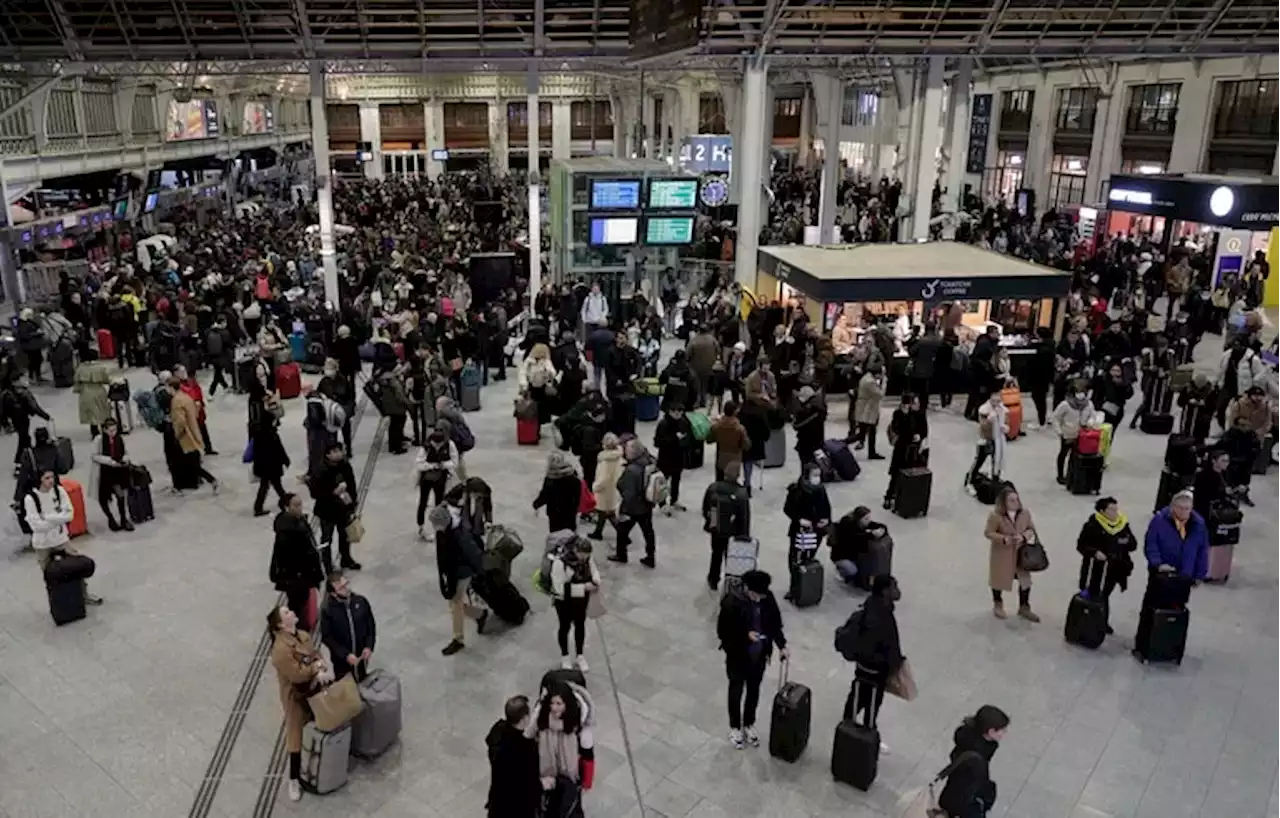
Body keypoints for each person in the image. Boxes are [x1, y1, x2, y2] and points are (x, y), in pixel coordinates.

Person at [1133, 490, 1209, 662]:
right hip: (1161, 575)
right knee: (1151, 610)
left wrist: (1199, 574)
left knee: (1176, 610)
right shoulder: (1159, 521)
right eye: (1180, 508)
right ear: (1173, 506)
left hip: (1184, 576)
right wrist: (1158, 564)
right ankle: (1143, 647)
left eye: (1187, 509)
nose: (1184, 512)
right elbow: (1151, 544)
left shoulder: (1198, 525)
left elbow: (1202, 551)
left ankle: (1169, 647)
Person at [716, 569, 788, 749]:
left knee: (754, 690)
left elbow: (774, 624)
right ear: (747, 588)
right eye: (756, 595)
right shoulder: (732, 603)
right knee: (736, 689)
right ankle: (734, 726)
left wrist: (782, 645)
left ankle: (749, 722)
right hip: (738, 655)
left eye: (761, 596)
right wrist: (745, 635)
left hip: (760, 654)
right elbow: (723, 632)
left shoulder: (767, 599)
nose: (759, 599)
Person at [267, 604, 328, 803]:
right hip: (295, 696)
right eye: (286, 613)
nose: (292, 612)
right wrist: (315, 668)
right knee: (295, 734)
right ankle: (294, 778)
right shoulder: (280, 650)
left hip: (313, 688)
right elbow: (296, 674)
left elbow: (314, 653)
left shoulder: (302, 635)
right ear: (280, 625)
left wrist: (319, 664)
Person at [25, 468, 103, 604]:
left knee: (76, 567)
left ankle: (84, 595)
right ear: (39, 480)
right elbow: (36, 526)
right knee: (50, 575)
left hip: (61, 539)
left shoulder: (59, 491)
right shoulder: (31, 498)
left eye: (52, 477)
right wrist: (57, 519)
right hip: (42, 544)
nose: (50, 481)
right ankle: (58, 601)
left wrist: (48, 518)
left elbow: (69, 515)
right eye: (46, 478)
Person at [838, 574, 902, 733]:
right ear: (885, 591)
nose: (898, 591)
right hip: (874, 671)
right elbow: (886, 644)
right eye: (894, 587)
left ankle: (847, 732)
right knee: (871, 706)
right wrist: (893, 665)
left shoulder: (872, 607)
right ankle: (863, 738)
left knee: (856, 699)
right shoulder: (880, 616)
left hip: (864, 667)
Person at [429, 487, 489, 656]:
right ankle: (479, 614)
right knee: (454, 604)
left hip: (463, 569)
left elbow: (472, 553)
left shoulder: (458, 534)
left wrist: (479, 571)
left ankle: (458, 639)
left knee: (455, 603)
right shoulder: (446, 527)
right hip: (455, 568)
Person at [526, 677, 594, 810]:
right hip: (546, 778)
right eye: (552, 703)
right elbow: (527, 737)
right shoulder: (541, 717)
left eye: (559, 704)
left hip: (570, 780)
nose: (554, 708)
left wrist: (586, 782)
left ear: (567, 703)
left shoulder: (578, 722)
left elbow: (588, 755)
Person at [1075, 497, 1136, 633]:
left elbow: (1133, 545)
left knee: (1105, 594)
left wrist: (1123, 542)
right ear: (1102, 511)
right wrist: (1094, 552)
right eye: (1111, 509)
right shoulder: (1092, 525)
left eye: (1116, 509)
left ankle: (1101, 621)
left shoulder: (1122, 525)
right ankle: (1088, 621)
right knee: (1092, 592)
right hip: (1095, 568)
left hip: (1115, 568)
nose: (1115, 512)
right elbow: (1081, 545)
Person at [936, 706, 1010, 818]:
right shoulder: (976, 759)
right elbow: (972, 785)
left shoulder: (968, 741)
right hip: (965, 802)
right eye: (1002, 730)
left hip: (955, 795)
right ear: (991, 732)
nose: (1005, 733)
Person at [984, 486, 1039, 622]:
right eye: (1011, 500)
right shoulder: (995, 516)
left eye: (1016, 499)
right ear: (1004, 502)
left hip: (1021, 554)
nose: (1015, 502)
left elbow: (1031, 529)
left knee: (1025, 581)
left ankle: (1024, 606)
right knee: (999, 580)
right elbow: (988, 532)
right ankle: (998, 603)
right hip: (1003, 554)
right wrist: (1003, 538)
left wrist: (1024, 537)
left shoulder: (1025, 513)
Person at [269, 493, 325, 625]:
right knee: (297, 603)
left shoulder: (298, 521)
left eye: (300, 504)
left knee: (301, 602)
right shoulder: (287, 532)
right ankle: (298, 627)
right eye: (296, 505)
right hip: (296, 577)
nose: (300, 508)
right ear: (286, 507)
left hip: (301, 575)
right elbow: (290, 558)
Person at [485, 695, 542, 818]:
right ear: (524, 718)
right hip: (519, 807)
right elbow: (528, 782)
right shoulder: (526, 749)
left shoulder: (498, 732)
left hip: (498, 801)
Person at [550, 537, 601, 672]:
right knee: (564, 627)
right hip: (564, 602)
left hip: (580, 601)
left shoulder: (587, 559)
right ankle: (565, 656)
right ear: (575, 550)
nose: (583, 559)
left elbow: (594, 569)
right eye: (582, 555)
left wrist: (596, 580)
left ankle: (580, 655)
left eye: (586, 556)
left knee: (580, 625)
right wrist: (584, 587)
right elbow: (559, 588)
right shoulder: (560, 563)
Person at [782, 461, 831, 600]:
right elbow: (788, 509)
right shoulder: (796, 490)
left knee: (809, 558)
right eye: (815, 475)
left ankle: (806, 586)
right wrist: (799, 520)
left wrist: (826, 520)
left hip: (816, 531)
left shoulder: (821, 489)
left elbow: (827, 508)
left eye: (819, 475)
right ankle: (795, 587)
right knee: (795, 559)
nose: (818, 478)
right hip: (800, 531)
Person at [310, 441, 361, 571]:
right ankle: (327, 564)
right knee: (327, 538)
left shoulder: (344, 465)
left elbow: (352, 484)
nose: (339, 453)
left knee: (345, 535)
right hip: (327, 510)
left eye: (340, 450)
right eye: (335, 451)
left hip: (343, 507)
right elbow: (315, 492)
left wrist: (353, 502)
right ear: (328, 454)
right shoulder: (320, 470)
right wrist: (333, 492)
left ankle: (346, 559)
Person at [701, 459, 751, 591]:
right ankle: (731, 584)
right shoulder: (741, 493)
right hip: (733, 532)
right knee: (731, 559)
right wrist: (745, 535)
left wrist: (709, 520)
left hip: (716, 528)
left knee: (716, 554)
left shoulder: (713, 488)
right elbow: (744, 517)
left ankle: (713, 579)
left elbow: (705, 508)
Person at [320, 570, 377, 682]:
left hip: (361, 657)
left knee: (362, 681)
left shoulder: (360, 601)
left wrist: (369, 646)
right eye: (341, 588)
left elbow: (370, 626)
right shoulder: (328, 610)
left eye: (346, 584)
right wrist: (345, 654)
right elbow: (327, 637)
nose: (346, 589)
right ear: (333, 593)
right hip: (342, 662)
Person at [609, 439, 658, 567]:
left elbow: (629, 494)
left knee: (622, 530)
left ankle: (621, 555)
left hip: (634, 508)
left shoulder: (632, 470)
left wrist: (624, 511)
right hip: (647, 504)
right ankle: (650, 556)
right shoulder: (649, 462)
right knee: (648, 532)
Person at [168, 375, 218, 492]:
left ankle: (210, 480)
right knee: (192, 463)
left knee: (184, 464)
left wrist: (177, 434)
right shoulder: (186, 397)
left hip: (184, 437)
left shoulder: (176, 401)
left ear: (171, 388)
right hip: (193, 432)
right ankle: (208, 480)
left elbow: (180, 421)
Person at [249, 388, 291, 517]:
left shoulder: (257, 425)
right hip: (271, 462)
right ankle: (284, 504)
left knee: (269, 484)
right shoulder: (270, 432)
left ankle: (260, 506)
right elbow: (278, 448)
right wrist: (285, 459)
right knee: (274, 484)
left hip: (263, 462)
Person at [883, 392, 928, 512]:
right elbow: (898, 429)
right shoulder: (898, 414)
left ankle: (910, 497)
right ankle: (890, 495)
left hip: (916, 449)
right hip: (902, 448)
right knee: (896, 473)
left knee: (913, 473)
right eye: (915, 403)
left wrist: (920, 436)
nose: (918, 405)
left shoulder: (921, 413)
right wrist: (906, 416)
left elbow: (924, 429)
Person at [415, 422, 458, 539]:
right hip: (426, 478)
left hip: (441, 478)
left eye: (440, 444)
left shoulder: (450, 445)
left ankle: (440, 527)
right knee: (423, 502)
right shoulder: (426, 446)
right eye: (435, 444)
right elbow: (419, 463)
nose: (437, 446)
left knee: (440, 502)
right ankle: (421, 527)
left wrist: (443, 465)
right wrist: (432, 465)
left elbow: (455, 462)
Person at [1050, 380, 1097, 486]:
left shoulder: (1088, 404)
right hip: (1067, 435)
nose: (1081, 394)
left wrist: (1090, 423)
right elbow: (1055, 418)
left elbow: (1093, 415)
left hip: (1082, 436)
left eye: (1083, 391)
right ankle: (1060, 475)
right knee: (1063, 454)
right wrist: (1060, 432)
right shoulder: (1065, 405)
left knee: (1075, 457)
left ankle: (1071, 475)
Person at [91, 418, 133, 531]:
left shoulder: (119, 438)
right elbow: (94, 456)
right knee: (103, 498)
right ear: (104, 430)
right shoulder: (99, 440)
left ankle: (124, 519)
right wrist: (109, 461)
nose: (113, 433)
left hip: (118, 472)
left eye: (114, 430)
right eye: (110, 430)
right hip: (104, 473)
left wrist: (125, 459)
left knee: (121, 495)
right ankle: (110, 518)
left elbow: (125, 452)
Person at [3, 375, 50, 476]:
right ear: (15, 382)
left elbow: (2, 411)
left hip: (15, 420)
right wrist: (46, 416)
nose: (25, 380)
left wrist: (5, 423)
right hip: (23, 419)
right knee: (24, 440)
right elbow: (34, 407)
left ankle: (28, 462)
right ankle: (20, 464)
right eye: (22, 379)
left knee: (25, 439)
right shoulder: (25, 393)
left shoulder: (6, 394)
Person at [965, 390, 1008, 494]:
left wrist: (1006, 427)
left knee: (996, 462)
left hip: (997, 441)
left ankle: (995, 483)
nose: (996, 404)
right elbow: (983, 426)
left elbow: (1006, 423)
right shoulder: (984, 410)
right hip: (985, 440)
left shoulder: (1002, 410)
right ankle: (969, 482)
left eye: (998, 401)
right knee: (978, 462)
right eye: (994, 401)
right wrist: (989, 420)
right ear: (990, 400)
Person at [653, 404, 692, 514]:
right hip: (666, 457)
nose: (677, 413)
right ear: (669, 411)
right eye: (674, 410)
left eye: (680, 411)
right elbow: (657, 442)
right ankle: (662, 503)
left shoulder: (684, 422)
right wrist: (675, 438)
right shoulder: (663, 424)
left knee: (676, 480)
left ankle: (674, 500)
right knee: (663, 481)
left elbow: (688, 437)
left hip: (679, 457)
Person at [533, 450, 581, 534]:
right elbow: (578, 493)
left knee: (556, 536)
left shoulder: (550, 480)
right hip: (570, 511)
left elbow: (545, 495)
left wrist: (536, 504)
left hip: (555, 513)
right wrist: (576, 506)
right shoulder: (573, 476)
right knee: (570, 534)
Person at [587, 432, 623, 541]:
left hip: (604, 491)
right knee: (604, 513)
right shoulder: (617, 456)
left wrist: (595, 487)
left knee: (608, 513)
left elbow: (604, 478)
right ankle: (598, 532)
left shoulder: (605, 460)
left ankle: (623, 535)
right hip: (612, 489)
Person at [175, 364, 217, 456]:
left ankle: (208, 448)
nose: (184, 373)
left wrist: (200, 402)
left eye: (184, 371)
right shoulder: (178, 385)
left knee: (203, 429)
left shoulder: (191, 381)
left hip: (198, 409)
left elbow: (197, 391)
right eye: (181, 372)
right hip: (190, 411)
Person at [72, 348, 112, 439]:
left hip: (86, 392)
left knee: (90, 413)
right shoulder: (100, 367)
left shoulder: (80, 368)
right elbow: (107, 379)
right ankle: (105, 430)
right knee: (102, 412)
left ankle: (94, 432)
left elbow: (76, 382)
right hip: (98, 390)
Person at [850, 362, 885, 459]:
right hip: (866, 410)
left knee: (869, 431)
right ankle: (842, 442)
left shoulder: (867, 377)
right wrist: (884, 382)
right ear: (877, 373)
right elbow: (880, 394)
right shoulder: (870, 382)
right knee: (862, 433)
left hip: (866, 409)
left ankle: (872, 452)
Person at [791, 385, 827, 476]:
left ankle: (806, 479)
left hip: (806, 441)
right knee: (814, 461)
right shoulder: (820, 408)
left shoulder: (805, 410)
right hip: (818, 440)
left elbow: (796, 425)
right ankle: (815, 478)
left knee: (806, 461)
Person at [1192, 448, 1232, 520]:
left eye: (1227, 461)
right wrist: (1224, 492)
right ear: (1214, 461)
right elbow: (1203, 496)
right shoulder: (1204, 475)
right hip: (1206, 510)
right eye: (1223, 461)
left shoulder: (1224, 472)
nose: (1226, 463)